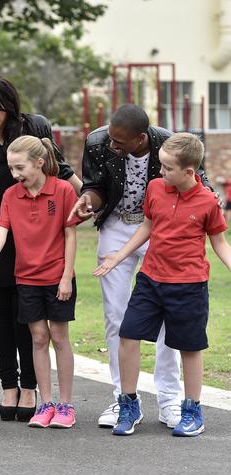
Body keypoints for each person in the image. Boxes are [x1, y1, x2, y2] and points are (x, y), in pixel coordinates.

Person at [69, 104, 215, 429]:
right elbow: (95, 187)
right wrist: (86, 203)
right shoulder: (97, 142)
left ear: (140, 138)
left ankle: (169, 401)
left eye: (120, 143)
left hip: (158, 228)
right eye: (110, 138)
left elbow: (198, 182)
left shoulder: (167, 144)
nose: (112, 146)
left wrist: (213, 200)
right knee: (117, 317)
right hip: (117, 226)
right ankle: (123, 397)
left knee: (168, 319)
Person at [0, 75, 81, 421]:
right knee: (3, 315)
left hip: (35, 236)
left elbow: (63, 171)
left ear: (8, 106)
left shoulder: (33, 129)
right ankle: (8, 386)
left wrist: (88, 202)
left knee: (29, 319)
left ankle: (31, 389)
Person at [93, 133, 231, 436]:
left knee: (189, 346)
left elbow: (219, 242)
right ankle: (128, 404)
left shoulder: (208, 201)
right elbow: (147, 226)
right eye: (161, 165)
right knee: (128, 334)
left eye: (168, 168)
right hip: (151, 279)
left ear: (189, 172)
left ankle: (192, 410)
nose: (160, 172)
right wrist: (118, 256)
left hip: (189, 285)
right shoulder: (156, 188)